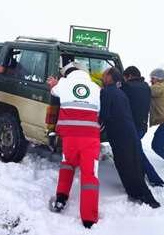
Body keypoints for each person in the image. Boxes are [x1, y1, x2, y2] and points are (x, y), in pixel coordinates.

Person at [47, 62, 101, 229]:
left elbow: (53, 91)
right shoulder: (96, 87)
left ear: (68, 73)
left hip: (70, 138)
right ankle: (88, 219)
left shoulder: (63, 83)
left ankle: (61, 198)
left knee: (67, 166)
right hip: (91, 139)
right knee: (89, 176)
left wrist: (54, 84)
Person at [100, 67, 160, 208]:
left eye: (104, 74)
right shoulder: (120, 92)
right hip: (129, 131)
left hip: (120, 134)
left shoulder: (108, 92)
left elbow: (104, 115)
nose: (102, 76)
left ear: (109, 77)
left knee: (125, 164)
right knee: (133, 163)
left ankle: (142, 196)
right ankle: (141, 194)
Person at [122, 66, 164, 187]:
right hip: (142, 127)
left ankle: (156, 180)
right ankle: (142, 174)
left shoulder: (127, 87)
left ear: (129, 76)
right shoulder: (146, 87)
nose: (124, 80)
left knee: (137, 152)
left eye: (125, 77)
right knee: (135, 151)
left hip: (132, 127)